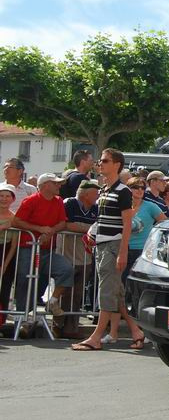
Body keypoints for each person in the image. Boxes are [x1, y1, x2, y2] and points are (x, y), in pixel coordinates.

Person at [72, 149, 146, 351]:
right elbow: (103, 219)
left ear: (117, 165)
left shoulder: (123, 191)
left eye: (105, 161)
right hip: (103, 245)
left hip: (113, 246)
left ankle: (96, 337)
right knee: (116, 293)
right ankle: (136, 332)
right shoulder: (105, 189)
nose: (100, 164)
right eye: (100, 160)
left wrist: (122, 252)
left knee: (106, 291)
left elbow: (127, 223)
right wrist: (92, 232)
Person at [100, 176, 166, 345]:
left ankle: (140, 331)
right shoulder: (123, 206)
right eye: (135, 187)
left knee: (134, 293)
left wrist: (155, 243)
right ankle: (113, 333)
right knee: (117, 291)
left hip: (140, 252)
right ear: (128, 189)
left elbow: (165, 224)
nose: (139, 190)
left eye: (143, 188)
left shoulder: (150, 206)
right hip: (121, 249)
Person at [12, 173, 72, 319]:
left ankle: (52, 302)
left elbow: (62, 223)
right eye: (55, 183)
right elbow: (16, 221)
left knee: (66, 269)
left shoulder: (58, 201)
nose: (59, 186)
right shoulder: (30, 200)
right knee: (25, 280)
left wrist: (50, 232)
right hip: (28, 248)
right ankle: (22, 317)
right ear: (45, 185)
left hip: (47, 250)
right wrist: (40, 230)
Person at [57, 179, 100, 339]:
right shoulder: (70, 203)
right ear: (85, 194)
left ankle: (71, 327)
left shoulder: (96, 208)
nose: (97, 196)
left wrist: (82, 227)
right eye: (95, 193)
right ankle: (58, 324)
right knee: (64, 291)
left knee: (77, 294)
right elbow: (67, 225)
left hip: (85, 256)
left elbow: (97, 227)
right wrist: (88, 229)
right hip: (67, 253)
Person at [0, 184, 17, 326]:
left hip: (6, 253)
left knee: (4, 287)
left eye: (7, 196)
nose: (4, 199)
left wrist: (4, 265)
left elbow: (14, 245)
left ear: (12, 199)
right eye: (1, 196)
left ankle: (1, 321)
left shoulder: (14, 218)